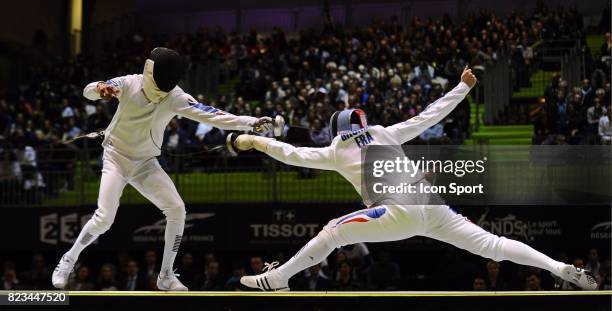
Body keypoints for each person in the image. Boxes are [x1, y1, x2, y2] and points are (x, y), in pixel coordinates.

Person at [231, 67, 598, 291]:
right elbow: (428, 116)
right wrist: (463, 87)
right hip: (432, 206)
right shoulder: (385, 132)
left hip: (397, 212)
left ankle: (280, 278)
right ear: (360, 122)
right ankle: (557, 267)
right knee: (494, 244)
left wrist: (252, 140)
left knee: (333, 229)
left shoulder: (334, 150)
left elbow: (291, 154)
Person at [52, 48, 275, 291]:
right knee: (105, 218)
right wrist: (99, 88)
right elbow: (88, 91)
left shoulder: (175, 97)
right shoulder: (129, 83)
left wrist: (251, 123)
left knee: (177, 209)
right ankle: (69, 259)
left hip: (146, 162)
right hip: (116, 158)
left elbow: (212, 115)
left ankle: (166, 275)